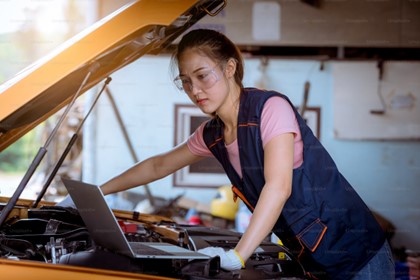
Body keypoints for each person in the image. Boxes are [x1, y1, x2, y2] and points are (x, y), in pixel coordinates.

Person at [94, 29, 394, 279]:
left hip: (358, 254)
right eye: (186, 82)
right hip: (314, 260)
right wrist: (98, 191)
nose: (194, 89)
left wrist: (239, 255)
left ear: (229, 68)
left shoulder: (270, 109)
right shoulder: (212, 134)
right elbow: (159, 165)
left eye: (202, 76)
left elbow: (278, 187)